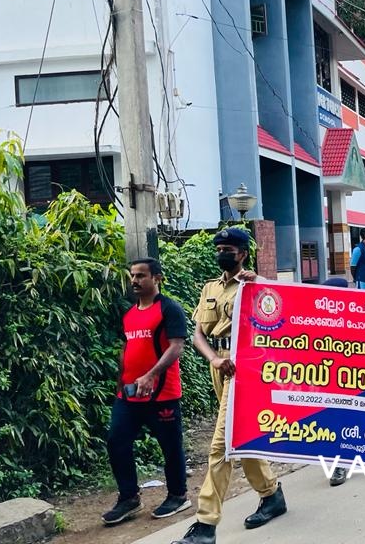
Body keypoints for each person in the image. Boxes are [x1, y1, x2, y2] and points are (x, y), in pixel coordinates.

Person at [175, 229, 285, 544]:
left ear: (243, 254)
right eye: (219, 248)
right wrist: (213, 358)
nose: (222, 254)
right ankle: (272, 495)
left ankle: (206, 525)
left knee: (221, 445)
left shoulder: (255, 285)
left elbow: (280, 315)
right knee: (241, 435)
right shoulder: (210, 287)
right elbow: (198, 334)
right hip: (219, 365)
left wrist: (259, 283)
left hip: (245, 369)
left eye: (228, 249)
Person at [103, 258, 190, 526]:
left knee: (170, 446)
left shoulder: (169, 309)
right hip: (129, 394)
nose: (135, 281)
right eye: (132, 275)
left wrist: (152, 375)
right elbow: (127, 348)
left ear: (157, 278)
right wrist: (120, 383)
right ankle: (129, 497)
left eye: (141, 275)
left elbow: (176, 346)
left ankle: (178, 495)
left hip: (162, 393)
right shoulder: (129, 314)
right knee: (116, 441)